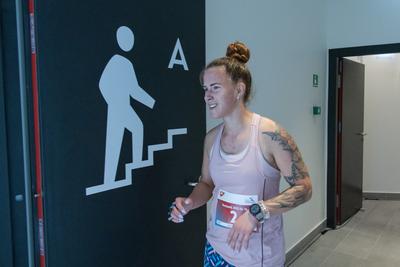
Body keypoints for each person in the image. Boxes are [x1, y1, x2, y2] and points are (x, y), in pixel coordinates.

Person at [169, 41, 312, 267]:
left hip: (256, 258)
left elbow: (304, 188)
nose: (207, 96)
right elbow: (207, 184)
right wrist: (189, 203)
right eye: (205, 89)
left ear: (239, 89)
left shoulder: (271, 135)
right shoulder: (211, 138)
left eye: (215, 87)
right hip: (215, 249)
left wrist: (257, 212)